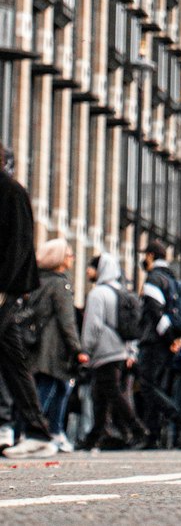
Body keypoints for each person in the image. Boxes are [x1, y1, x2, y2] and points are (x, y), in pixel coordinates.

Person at [0, 147, 57, 458]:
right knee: (12, 361)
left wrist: (5, 289)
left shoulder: (11, 192)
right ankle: (37, 431)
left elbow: (19, 246)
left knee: (13, 362)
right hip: (6, 291)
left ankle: (38, 431)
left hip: (4, 292)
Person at [80, 252, 147, 450]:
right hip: (121, 350)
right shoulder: (123, 292)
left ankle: (138, 429)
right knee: (101, 395)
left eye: (91, 266)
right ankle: (96, 435)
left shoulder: (97, 294)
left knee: (112, 392)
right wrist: (131, 351)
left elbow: (93, 325)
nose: (88, 270)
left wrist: (86, 349)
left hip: (104, 352)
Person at [27, 238, 88, 451]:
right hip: (55, 348)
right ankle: (39, 432)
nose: (72, 258)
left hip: (37, 345)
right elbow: (67, 321)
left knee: (57, 387)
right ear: (60, 259)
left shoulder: (38, 281)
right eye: (69, 254)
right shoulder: (60, 284)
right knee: (48, 388)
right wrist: (78, 349)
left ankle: (54, 431)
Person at [135, 241, 181, 448]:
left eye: (146, 255)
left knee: (147, 385)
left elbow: (155, 311)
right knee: (156, 386)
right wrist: (176, 340)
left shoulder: (154, 279)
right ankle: (152, 436)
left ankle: (179, 419)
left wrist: (170, 338)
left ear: (151, 256)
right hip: (168, 343)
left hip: (154, 341)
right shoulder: (173, 279)